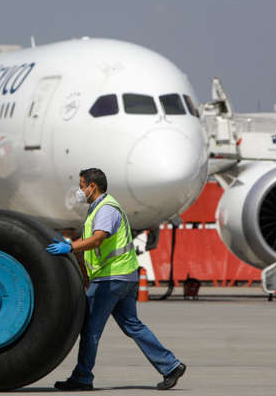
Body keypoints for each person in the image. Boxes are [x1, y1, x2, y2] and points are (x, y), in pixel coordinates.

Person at [46, 168, 186, 391]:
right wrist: (77, 254)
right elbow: (88, 238)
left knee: (91, 329)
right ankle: (170, 366)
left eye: (82, 185)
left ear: (93, 187)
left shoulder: (106, 209)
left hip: (111, 279)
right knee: (132, 325)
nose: (80, 190)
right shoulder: (99, 208)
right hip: (124, 276)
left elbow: (98, 239)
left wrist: (70, 247)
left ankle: (82, 377)